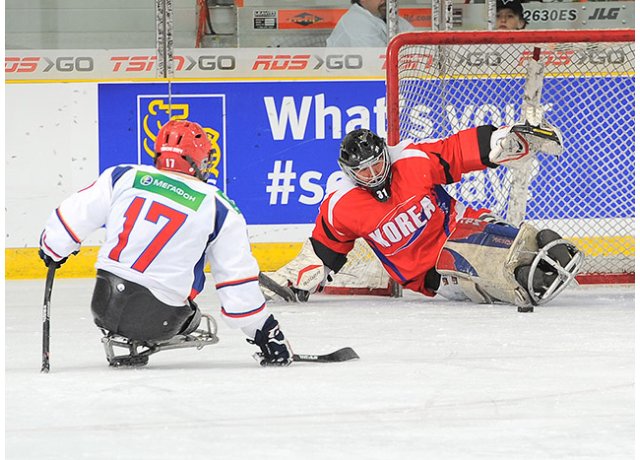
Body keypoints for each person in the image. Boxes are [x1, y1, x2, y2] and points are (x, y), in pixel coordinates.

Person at [38, 119, 293, 367]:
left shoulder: (123, 175)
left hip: (103, 304)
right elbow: (236, 282)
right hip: (161, 318)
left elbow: (71, 216)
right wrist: (266, 333)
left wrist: (53, 249)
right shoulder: (219, 206)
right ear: (199, 161)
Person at [267, 118, 583, 309]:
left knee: (542, 243)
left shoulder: (411, 159)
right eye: (363, 171)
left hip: (467, 226)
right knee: (523, 276)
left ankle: (536, 261)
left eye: (377, 164)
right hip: (436, 273)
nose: (373, 174)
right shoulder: (341, 205)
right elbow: (325, 250)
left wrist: (498, 141)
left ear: (385, 154)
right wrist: (293, 279)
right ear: (349, 172)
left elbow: (455, 151)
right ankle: (525, 274)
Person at [326, 0, 414, 48]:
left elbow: (417, 48)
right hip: (355, 76)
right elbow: (377, 63)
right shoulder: (355, 21)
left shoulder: (392, 19)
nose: (386, 1)